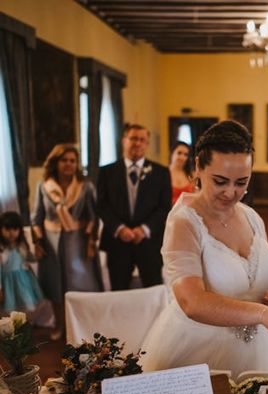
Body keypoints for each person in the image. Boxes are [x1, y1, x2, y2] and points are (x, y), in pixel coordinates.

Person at [140, 121, 268, 382]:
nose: (231, 192)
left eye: (242, 182)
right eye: (220, 181)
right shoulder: (184, 222)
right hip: (198, 347)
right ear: (198, 166)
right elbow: (192, 302)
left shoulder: (252, 217)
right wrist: (266, 315)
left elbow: (255, 279)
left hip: (255, 348)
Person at [32, 144, 103, 339]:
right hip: (51, 241)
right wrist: (37, 241)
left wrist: (90, 242)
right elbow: (36, 216)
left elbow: (93, 216)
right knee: (56, 286)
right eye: (64, 160)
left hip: (77, 241)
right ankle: (59, 325)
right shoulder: (44, 186)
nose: (69, 164)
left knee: (82, 284)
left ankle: (85, 325)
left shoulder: (85, 186)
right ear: (56, 162)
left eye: (73, 160)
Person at [97, 124, 172, 290]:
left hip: (149, 242)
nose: (137, 143)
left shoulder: (161, 172)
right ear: (124, 141)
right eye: (133, 138)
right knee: (118, 289)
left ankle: (155, 318)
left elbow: (164, 206)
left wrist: (144, 229)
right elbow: (102, 205)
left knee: (153, 290)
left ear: (147, 144)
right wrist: (119, 228)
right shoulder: (107, 172)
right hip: (117, 242)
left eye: (142, 140)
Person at [0, 212, 54, 327]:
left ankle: (24, 323)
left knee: (26, 302)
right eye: (7, 229)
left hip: (24, 280)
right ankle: (12, 326)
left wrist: (37, 255)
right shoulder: (2, 249)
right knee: (10, 304)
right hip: (8, 282)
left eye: (15, 229)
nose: (11, 233)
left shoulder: (21, 246)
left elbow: (30, 258)